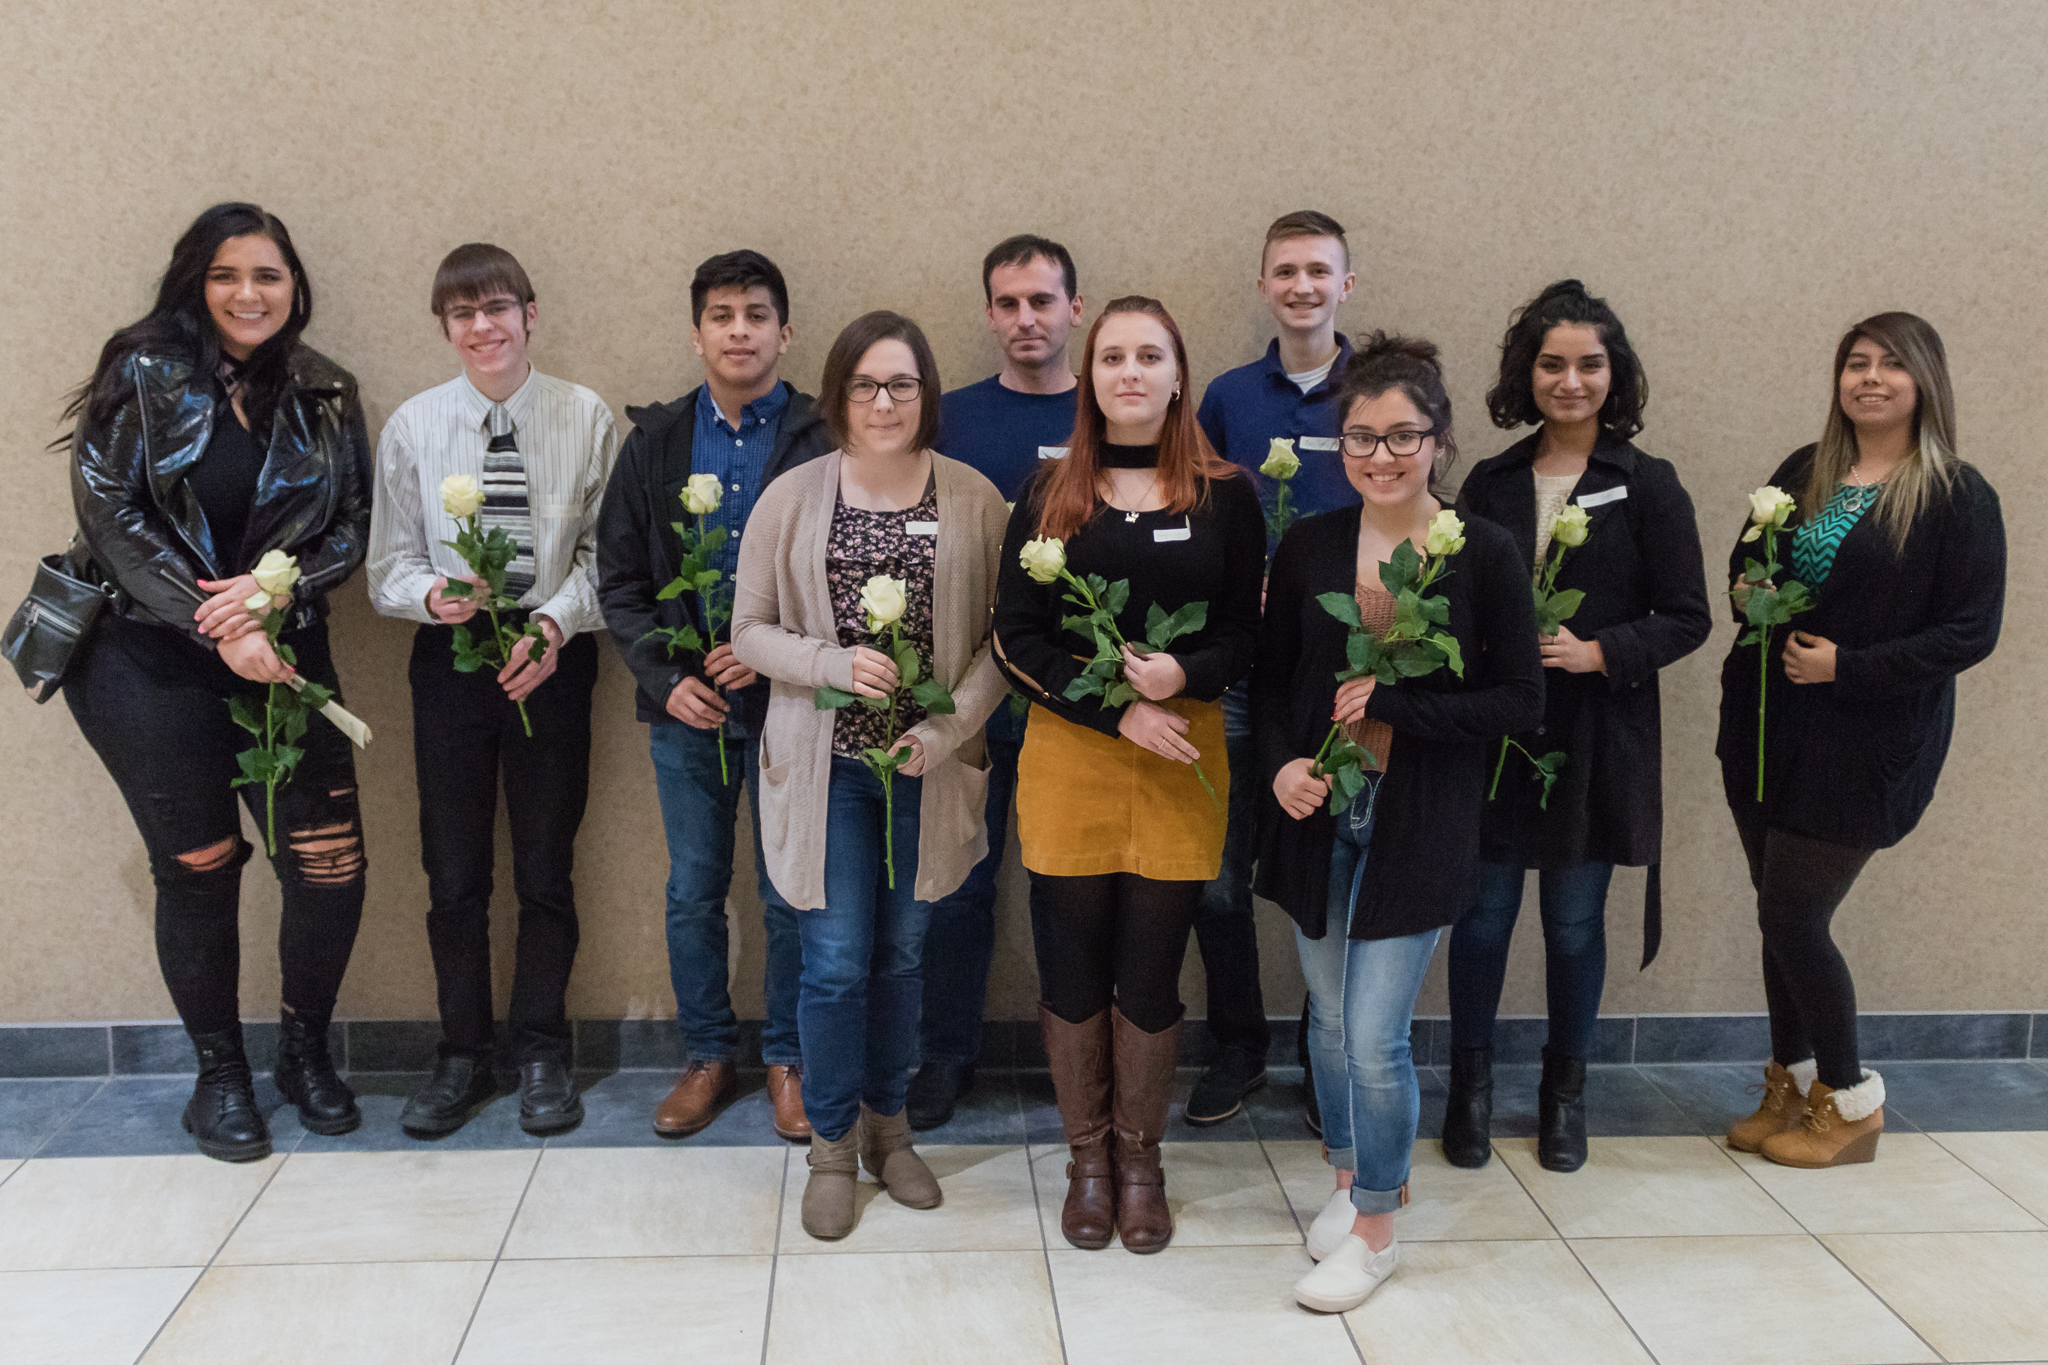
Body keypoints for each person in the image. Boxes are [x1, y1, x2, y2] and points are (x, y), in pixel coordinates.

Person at [60, 202, 371, 1161]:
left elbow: (349, 527)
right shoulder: (141, 375)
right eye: (229, 275)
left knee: (328, 865)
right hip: (146, 663)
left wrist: (278, 598)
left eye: (269, 276)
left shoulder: (325, 390)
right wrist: (220, 623)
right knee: (199, 872)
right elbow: (112, 520)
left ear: (294, 288)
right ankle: (220, 1077)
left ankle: (305, 1053)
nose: (250, 294)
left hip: (285, 652)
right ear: (197, 283)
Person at [1254, 335, 1541, 1311]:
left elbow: (1518, 701)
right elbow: (1271, 686)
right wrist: (1284, 767)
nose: (1380, 456)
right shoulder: (1308, 549)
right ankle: (1344, 1176)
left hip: (1418, 820)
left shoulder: (1482, 551)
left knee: (1373, 1037)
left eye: (1402, 436)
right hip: (1317, 815)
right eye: (1360, 437)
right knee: (1329, 1021)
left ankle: (1375, 1224)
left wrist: (1395, 709)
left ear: (1438, 438)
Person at [994, 296, 1264, 1254]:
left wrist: (1185, 675)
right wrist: (1116, 707)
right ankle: (1087, 1161)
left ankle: (1142, 1160)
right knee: (1072, 968)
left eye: (1150, 354)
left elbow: (1248, 629)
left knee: (1149, 970)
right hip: (1074, 756)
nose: (1130, 373)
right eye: (1113, 356)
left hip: (1184, 755)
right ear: (1091, 375)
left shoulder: (1227, 493)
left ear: (1178, 372)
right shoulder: (1051, 491)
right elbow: (1014, 637)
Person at [731, 311, 1008, 1239]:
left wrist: (948, 727)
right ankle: (833, 1145)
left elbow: (1003, 647)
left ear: (926, 394)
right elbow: (750, 632)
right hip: (828, 771)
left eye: (902, 385)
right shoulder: (793, 497)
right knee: (837, 959)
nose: (883, 402)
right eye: (865, 385)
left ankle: (893, 1129)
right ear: (837, 395)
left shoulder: (974, 499)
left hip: (924, 769)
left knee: (902, 953)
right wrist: (831, 664)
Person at [1719, 312, 2003, 1168]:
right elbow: (1743, 571)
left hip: (1867, 742)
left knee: (1795, 913)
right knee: (1777, 917)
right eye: (1855, 363)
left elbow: (1971, 631)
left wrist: (1852, 665)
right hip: (1768, 730)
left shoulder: (1957, 493)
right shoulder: (1804, 471)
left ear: (1925, 382)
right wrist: (1752, 591)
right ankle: (1793, 1083)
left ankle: (1851, 1101)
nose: (1869, 378)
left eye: (1890, 365)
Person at [1443, 281, 1712, 1174]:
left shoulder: (1648, 485)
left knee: (1571, 924)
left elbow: (1687, 616)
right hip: (1497, 739)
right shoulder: (1490, 480)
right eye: (1552, 363)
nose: (1571, 380)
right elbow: (1460, 598)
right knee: (1481, 919)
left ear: (1615, 373)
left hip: (1596, 739)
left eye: (1589, 364)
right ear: (1529, 373)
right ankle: (1469, 1088)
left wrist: (1601, 652)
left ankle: (1566, 1092)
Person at [366, 244, 617, 1138]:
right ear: (446, 327)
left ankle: (543, 1047)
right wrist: (432, 596)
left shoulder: (586, 418)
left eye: (497, 308)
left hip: (554, 658)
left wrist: (553, 626)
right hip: (452, 661)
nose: (483, 328)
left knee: (548, 868)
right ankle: (463, 1050)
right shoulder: (414, 426)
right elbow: (385, 567)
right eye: (463, 314)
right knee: (454, 871)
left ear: (530, 315)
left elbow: (601, 556)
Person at [597, 250, 831, 1142]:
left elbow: (844, 570)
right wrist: (668, 676)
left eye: (758, 314)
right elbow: (618, 578)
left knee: (786, 890)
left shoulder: (820, 436)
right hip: (684, 711)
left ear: (785, 331)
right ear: (696, 332)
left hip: (790, 708)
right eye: (723, 315)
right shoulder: (655, 442)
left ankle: (787, 1058)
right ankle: (705, 1053)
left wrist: (781, 658)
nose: (741, 330)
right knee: (695, 885)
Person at [908, 233, 1085, 1129]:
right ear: (988, 315)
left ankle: (1074, 1064)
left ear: (1073, 311)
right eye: (1009, 303)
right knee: (960, 880)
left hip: (1075, 696)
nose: (1026, 318)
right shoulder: (952, 419)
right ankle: (945, 1055)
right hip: (970, 690)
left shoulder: (1113, 411)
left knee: (1064, 884)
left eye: (1042, 301)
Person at [1187, 210, 1359, 1127]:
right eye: (1285, 270)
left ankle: (1322, 1045)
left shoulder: (1375, 393)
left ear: (1346, 285)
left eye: (1318, 271)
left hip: (1341, 681)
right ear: (1264, 285)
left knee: (1329, 869)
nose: (1301, 285)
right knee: (1219, 875)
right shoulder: (1224, 398)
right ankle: (1238, 1042)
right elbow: (1204, 516)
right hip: (1242, 676)